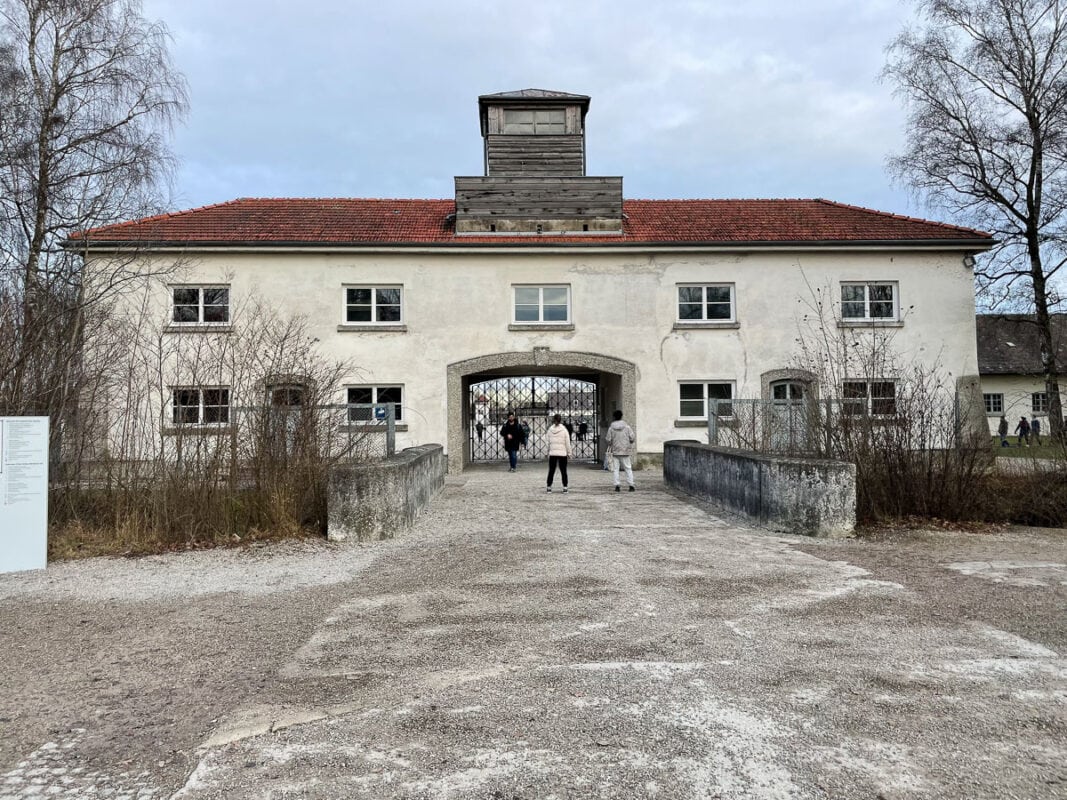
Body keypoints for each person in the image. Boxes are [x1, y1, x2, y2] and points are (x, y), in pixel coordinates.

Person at [605, 409, 636, 492]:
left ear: (614, 417)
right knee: (628, 468)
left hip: (615, 451)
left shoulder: (611, 428)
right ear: (621, 416)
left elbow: (608, 439)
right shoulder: (627, 427)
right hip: (625, 451)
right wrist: (630, 442)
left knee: (616, 469)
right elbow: (632, 437)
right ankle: (631, 485)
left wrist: (611, 443)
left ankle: (617, 485)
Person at [545, 414, 572, 493]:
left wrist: (547, 452)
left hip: (553, 453)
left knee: (551, 470)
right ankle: (565, 487)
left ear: (554, 420)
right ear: (560, 420)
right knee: (563, 471)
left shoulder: (550, 430)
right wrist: (569, 453)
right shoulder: (564, 430)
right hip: (562, 453)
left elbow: (547, 442)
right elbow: (567, 442)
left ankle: (549, 486)